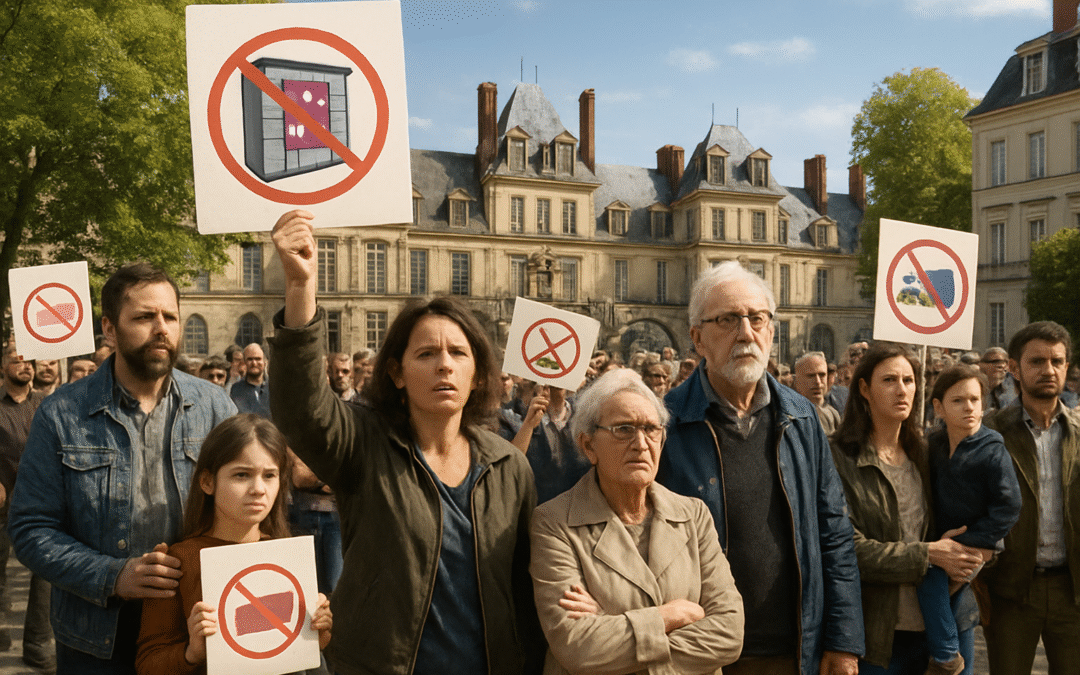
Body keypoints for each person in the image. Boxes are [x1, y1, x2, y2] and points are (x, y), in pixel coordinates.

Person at [267, 210, 542, 674]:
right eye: (426, 353)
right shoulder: (364, 445)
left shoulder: (509, 467)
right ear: (395, 372)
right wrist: (300, 288)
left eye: (459, 353)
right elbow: (303, 409)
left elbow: (524, 589)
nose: (445, 365)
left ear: (477, 375)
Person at [7, 262, 237, 673]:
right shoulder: (62, 413)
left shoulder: (215, 406)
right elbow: (30, 528)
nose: (161, 328)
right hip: (95, 637)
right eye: (145, 317)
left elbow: (253, 508)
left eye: (170, 316)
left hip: (194, 627)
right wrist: (114, 576)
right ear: (109, 329)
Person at [660, 260, 863, 675]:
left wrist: (843, 641)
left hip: (792, 648)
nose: (746, 333)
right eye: (729, 320)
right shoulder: (664, 421)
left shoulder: (802, 418)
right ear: (697, 338)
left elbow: (833, 533)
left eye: (757, 318)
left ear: (772, 329)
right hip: (697, 649)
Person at [530, 369, 744, 674]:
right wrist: (667, 617)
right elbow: (577, 647)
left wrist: (612, 622)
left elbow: (729, 633)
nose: (641, 443)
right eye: (624, 429)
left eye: (650, 429)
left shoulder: (693, 515)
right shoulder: (554, 524)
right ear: (588, 445)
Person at [830, 342, 984, 675]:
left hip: (945, 626)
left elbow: (968, 521)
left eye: (909, 380)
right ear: (863, 389)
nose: (902, 389)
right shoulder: (837, 456)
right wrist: (928, 555)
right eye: (889, 380)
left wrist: (972, 553)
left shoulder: (929, 453)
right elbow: (846, 550)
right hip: (878, 633)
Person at [135, 414, 331, 674]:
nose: (258, 488)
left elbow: (300, 649)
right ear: (207, 482)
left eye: (270, 475)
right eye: (242, 475)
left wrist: (320, 628)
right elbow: (148, 663)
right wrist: (191, 652)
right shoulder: (178, 561)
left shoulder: (287, 557)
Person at [983, 321, 1080, 675]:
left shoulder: (1079, 433)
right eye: (1037, 361)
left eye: (1057, 361)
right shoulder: (991, 433)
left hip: (1072, 592)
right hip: (1012, 592)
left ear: (1067, 367)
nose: (1048, 370)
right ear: (1014, 368)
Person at [920, 364, 1021, 675]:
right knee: (940, 597)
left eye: (975, 400)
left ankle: (948, 656)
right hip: (938, 545)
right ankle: (948, 656)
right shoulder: (933, 445)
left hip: (973, 549)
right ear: (938, 407)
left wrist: (972, 543)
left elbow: (1008, 506)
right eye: (958, 400)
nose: (968, 407)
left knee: (946, 599)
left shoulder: (992, 449)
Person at [0, 345, 52, 668]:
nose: (25, 365)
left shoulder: (47, 405)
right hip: (2, 504)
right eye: (16, 359)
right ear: (2, 367)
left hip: (40, 504)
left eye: (29, 360)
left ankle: (36, 642)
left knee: (44, 574)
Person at [507, 384, 591, 505]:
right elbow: (510, 465)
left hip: (581, 507)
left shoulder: (584, 415)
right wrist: (529, 425)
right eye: (546, 385)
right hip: (537, 508)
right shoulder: (517, 418)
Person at [793, 351, 841, 436]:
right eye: (811, 376)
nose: (818, 382)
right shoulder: (791, 416)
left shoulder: (833, 413)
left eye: (822, 375)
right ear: (797, 381)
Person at [230, 343, 270, 418]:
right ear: (244, 362)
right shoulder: (236, 389)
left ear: (264, 362)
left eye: (258, 359)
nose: (254, 363)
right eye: (250, 359)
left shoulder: (274, 387)